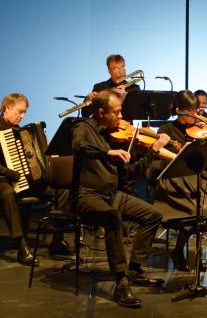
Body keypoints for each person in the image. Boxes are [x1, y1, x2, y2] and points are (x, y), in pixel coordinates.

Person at [71, 91, 172, 307]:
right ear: (101, 112)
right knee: (112, 216)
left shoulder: (111, 134)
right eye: (116, 112)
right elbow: (79, 147)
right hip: (86, 196)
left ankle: (134, 268)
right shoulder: (83, 128)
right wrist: (107, 153)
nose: (120, 117)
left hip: (111, 195)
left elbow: (131, 171)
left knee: (153, 214)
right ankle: (121, 282)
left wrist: (154, 150)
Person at [0, 93, 69, 265]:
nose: (22, 116)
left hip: (24, 181)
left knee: (60, 192)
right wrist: (9, 172)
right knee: (8, 194)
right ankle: (21, 247)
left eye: (25, 112)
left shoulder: (20, 131)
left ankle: (57, 239)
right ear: (6, 108)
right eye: (20, 112)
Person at [153, 90, 207, 271]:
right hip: (175, 182)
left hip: (198, 179)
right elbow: (158, 151)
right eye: (191, 111)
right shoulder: (166, 130)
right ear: (179, 110)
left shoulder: (200, 130)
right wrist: (180, 157)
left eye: (197, 110)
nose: (196, 115)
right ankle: (178, 251)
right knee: (196, 212)